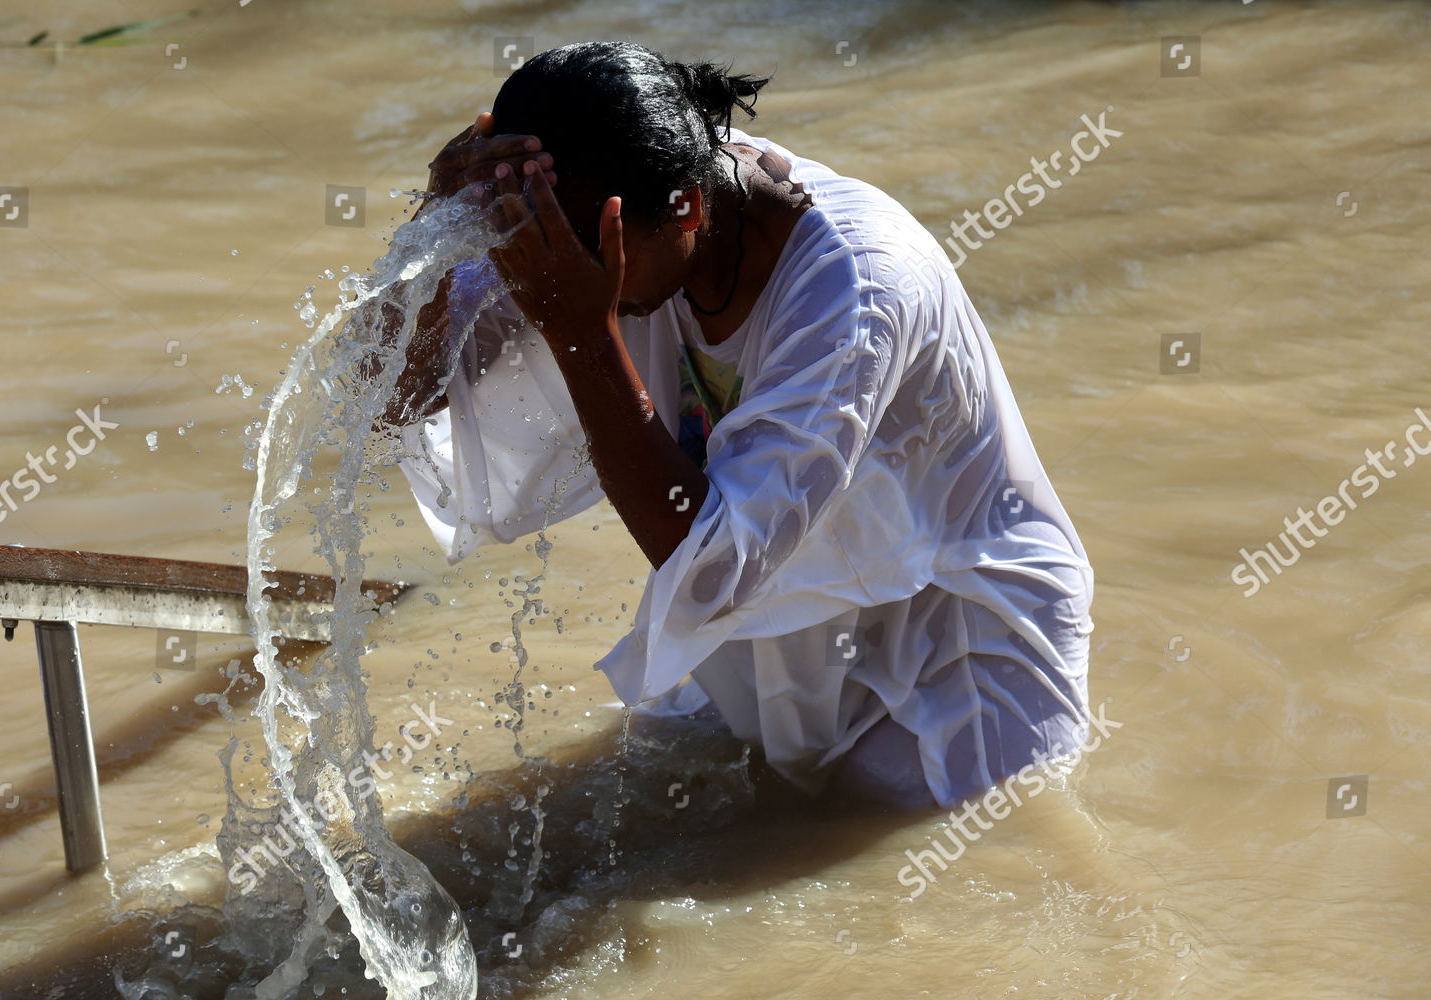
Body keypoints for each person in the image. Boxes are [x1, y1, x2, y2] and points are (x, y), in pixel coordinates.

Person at [387, 41, 1094, 811]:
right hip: (772, 659)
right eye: (529, 244)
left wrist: (581, 333)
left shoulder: (856, 288)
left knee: (917, 905)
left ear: (686, 207)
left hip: (954, 665)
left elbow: (713, 567)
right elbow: (388, 394)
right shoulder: (587, 224)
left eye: (580, 257)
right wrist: (439, 223)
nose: (551, 274)